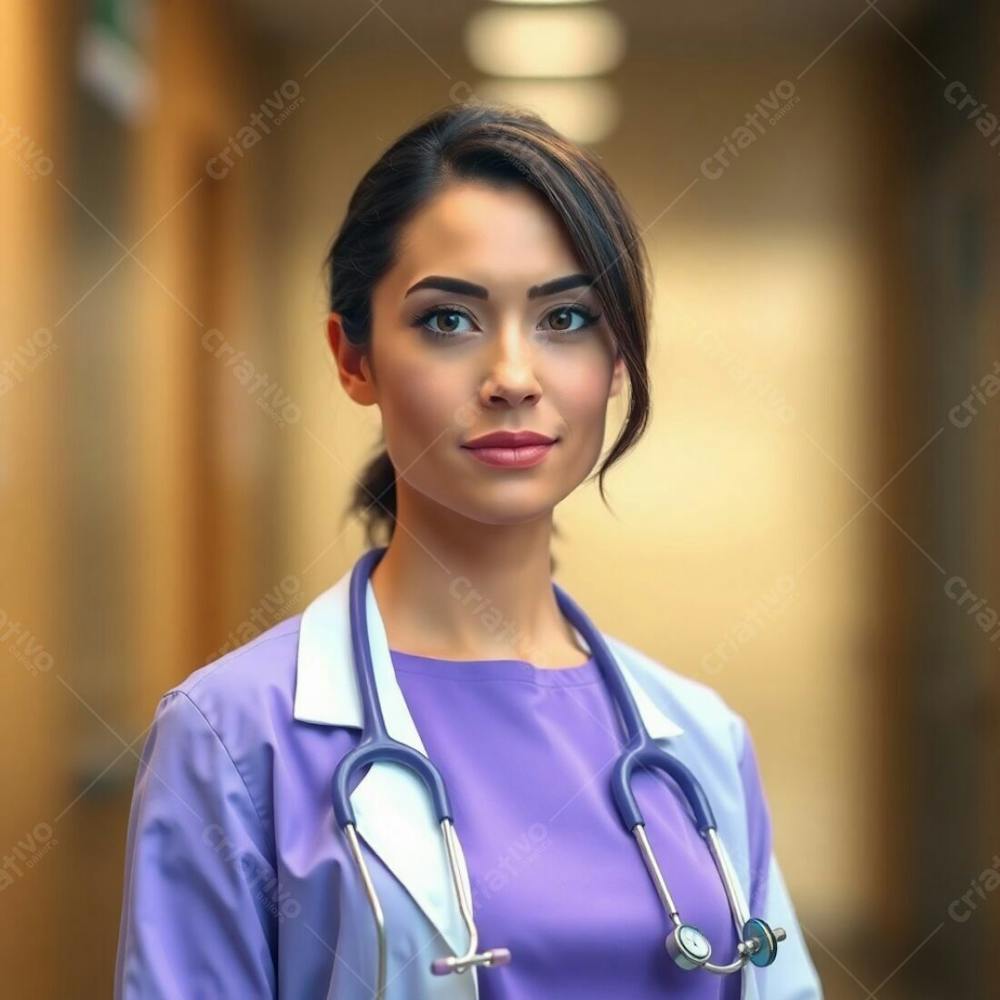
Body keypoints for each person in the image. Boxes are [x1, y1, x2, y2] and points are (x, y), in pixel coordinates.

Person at [114, 101, 823, 999]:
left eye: (566, 319)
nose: (513, 379)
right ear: (353, 358)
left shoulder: (700, 741)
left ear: (616, 363)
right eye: (450, 321)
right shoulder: (231, 738)